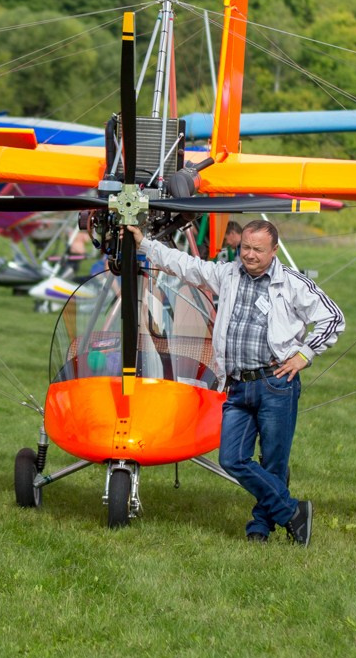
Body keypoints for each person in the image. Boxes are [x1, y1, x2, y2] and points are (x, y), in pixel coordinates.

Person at [127, 218, 344, 544]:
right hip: (238, 385)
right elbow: (185, 265)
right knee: (232, 459)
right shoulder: (227, 274)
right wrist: (144, 243)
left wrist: (304, 354)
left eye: (258, 249)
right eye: (245, 247)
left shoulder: (292, 283)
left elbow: (333, 317)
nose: (250, 255)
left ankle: (260, 527)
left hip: (276, 384)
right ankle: (292, 512)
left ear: (273, 250)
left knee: (272, 463)